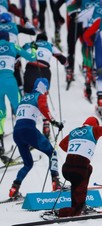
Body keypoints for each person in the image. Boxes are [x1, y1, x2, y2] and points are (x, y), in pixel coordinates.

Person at [47, 115, 102, 218]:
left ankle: (80, 203)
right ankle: (64, 212)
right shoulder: (94, 129)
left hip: (66, 170)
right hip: (79, 171)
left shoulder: (74, 131)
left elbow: (62, 144)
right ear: (95, 124)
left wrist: (74, 151)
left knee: (87, 170)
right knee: (77, 210)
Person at [9, 78, 64, 199]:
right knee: (52, 153)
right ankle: (56, 183)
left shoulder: (24, 98)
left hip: (17, 132)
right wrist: (54, 122)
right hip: (29, 130)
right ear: (44, 87)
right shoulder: (40, 96)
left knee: (28, 164)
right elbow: (44, 108)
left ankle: (14, 188)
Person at [22, 32, 67, 139]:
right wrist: (66, 65)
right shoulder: (49, 45)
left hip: (30, 70)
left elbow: (17, 55)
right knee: (42, 98)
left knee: (28, 98)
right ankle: (46, 126)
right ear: (45, 39)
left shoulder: (28, 44)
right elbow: (63, 59)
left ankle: (27, 128)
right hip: (44, 71)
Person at [0, 30, 37, 158]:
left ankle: (0, 145)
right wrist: (32, 48)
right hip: (10, 81)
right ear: (8, 38)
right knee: (20, 109)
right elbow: (32, 57)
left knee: (1, 113)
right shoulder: (12, 45)